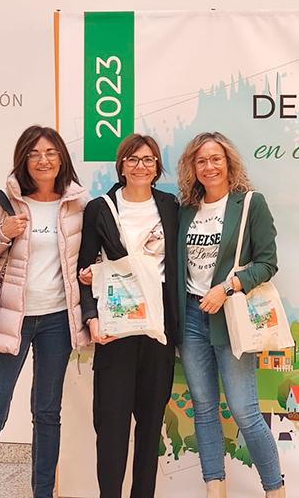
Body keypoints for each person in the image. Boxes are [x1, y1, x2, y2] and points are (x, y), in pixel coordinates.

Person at [0, 125, 89, 498]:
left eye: (50, 152)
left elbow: (86, 259)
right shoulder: (0, 202)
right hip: (8, 320)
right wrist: (1, 232)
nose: (43, 160)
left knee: (47, 414)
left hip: (57, 321)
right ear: (23, 160)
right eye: (34, 154)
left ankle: (42, 493)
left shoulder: (78, 205)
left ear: (61, 158)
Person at [177, 132, 285, 498]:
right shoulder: (186, 210)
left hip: (231, 317)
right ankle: (215, 489)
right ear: (192, 168)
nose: (209, 166)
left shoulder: (251, 204)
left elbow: (268, 263)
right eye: (201, 161)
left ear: (228, 163)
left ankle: (275, 490)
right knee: (204, 408)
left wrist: (227, 288)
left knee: (244, 410)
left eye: (215, 159)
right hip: (191, 317)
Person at [78, 133, 179, 498]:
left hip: (158, 329)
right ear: (121, 166)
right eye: (133, 159)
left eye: (148, 160)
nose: (141, 166)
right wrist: (91, 318)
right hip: (115, 329)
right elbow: (83, 267)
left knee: (150, 427)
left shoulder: (170, 207)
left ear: (157, 167)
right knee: (111, 425)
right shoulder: (100, 208)